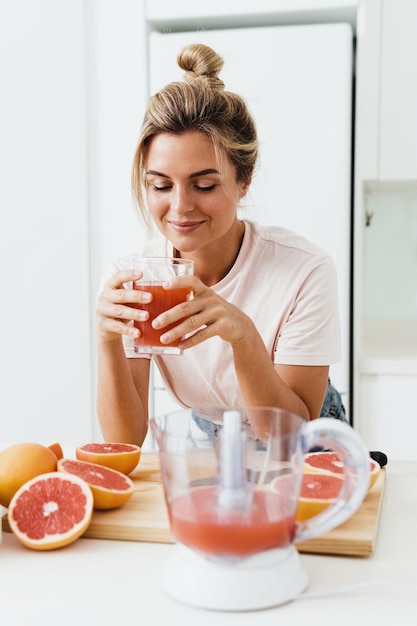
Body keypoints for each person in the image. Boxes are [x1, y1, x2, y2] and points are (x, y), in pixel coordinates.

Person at [96, 43, 346, 447]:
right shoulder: (137, 279)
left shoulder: (304, 271)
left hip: (304, 430)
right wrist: (107, 341)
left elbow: (287, 441)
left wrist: (243, 337)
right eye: (160, 184)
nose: (179, 207)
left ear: (243, 179)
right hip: (211, 433)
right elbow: (125, 440)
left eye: (204, 185)